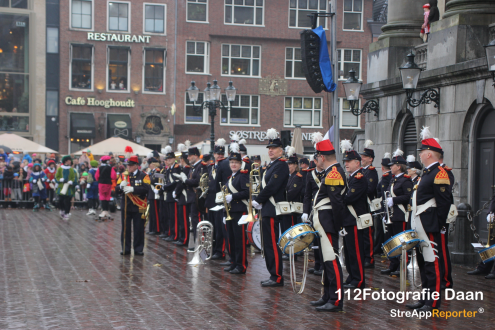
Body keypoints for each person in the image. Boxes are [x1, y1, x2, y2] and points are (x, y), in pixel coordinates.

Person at [406, 127, 452, 312]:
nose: (421, 154)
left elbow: (444, 202)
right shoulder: (427, 173)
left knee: (432, 264)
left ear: (430, 154)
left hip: (430, 224)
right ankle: (424, 299)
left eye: (423, 151)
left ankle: (433, 302)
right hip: (421, 224)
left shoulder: (439, 173)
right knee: (424, 264)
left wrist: (439, 224)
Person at [308, 134, 344, 312]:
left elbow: (337, 203)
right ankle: (328, 295)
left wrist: (337, 226)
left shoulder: (334, 173)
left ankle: (336, 300)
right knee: (325, 261)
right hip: (323, 221)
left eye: (317, 157)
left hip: (328, 222)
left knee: (331, 261)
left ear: (322, 157)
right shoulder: (329, 172)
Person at [252, 128, 289, 287]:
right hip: (267, 208)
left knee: (272, 244)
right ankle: (273, 274)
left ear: (281, 151)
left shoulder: (281, 165)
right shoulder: (272, 165)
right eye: (269, 148)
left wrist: (258, 199)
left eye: (274, 148)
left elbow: (272, 187)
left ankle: (277, 276)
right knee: (267, 244)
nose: (271, 150)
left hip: (272, 209)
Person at [380, 149, 414, 276]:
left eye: (392, 165)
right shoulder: (393, 179)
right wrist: (385, 215)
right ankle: (393, 265)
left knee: (401, 242)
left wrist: (394, 200)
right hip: (392, 216)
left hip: (401, 215)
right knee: (392, 242)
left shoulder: (406, 180)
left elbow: (408, 196)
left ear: (399, 167)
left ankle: (402, 267)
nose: (390, 167)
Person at [341, 140, 368, 289]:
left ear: (357, 163)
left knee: (356, 251)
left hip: (355, 219)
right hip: (349, 220)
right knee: (349, 251)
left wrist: (340, 197)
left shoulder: (360, 178)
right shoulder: (351, 178)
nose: (346, 163)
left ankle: (358, 280)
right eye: (345, 161)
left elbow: (349, 198)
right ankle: (352, 276)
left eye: (349, 161)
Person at [223, 142, 250, 274]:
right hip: (230, 211)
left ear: (240, 164)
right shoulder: (230, 178)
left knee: (240, 239)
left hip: (240, 211)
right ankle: (233, 262)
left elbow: (247, 192)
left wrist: (233, 197)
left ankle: (241, 265)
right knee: (231, 239)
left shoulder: (243, 175)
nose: (233, 164)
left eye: (236, 162)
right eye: (231, 162)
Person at [115, 155, 150, 256]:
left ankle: (138, 249)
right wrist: (120, 186)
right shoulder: (123, 176)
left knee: (138, 228)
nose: (128, 167)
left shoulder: (143, 176)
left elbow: (146, 189)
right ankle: (125, 248)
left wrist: (133, 189)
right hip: (126, 205)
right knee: (125, 228)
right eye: (127, 165)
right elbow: (116, 190)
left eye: (130, 165)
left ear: (136, 166)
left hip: (139, 206)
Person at [302, 132, 326, 276]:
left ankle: (323, 265)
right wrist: (305, 211)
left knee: (323, 239)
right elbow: (307, 195)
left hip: (323, 210)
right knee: (315, 239)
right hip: (312, 210)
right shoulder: (310, 174)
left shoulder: (328, 173)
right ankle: (317, 264)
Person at [208, 139, 229, 260]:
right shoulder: (213, 166)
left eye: (222, 153)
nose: (220, 155)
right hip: (212, 200)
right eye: (218, 153)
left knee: (219, 227)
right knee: (214, 226)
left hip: (220, 200)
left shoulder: (224, 164)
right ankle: (215, 248)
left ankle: (220, 251)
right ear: (214, 154)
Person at [360, 140, 378, 269]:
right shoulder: (361, 171)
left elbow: (370, 188)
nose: (362, 158)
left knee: (367, 234)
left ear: (370, 159)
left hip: (367, 205)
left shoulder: (371, 172)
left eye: (365, 157)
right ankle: (363, 255)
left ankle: (369, 258)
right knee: (361, 233)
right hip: (360, 206)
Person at [281, 146, 304, 250]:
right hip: (287, 208)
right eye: (287, 164)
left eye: (290, 164)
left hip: (293, 209)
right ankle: (288, 249)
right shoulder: (288, 176)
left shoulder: (297, 177)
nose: (288, 166)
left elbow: (291, 193)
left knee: (292, 231)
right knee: (287, 231)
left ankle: (294, 251)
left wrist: (281, 196)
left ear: (295, 165)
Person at [374, 152, 393, 257]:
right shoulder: (388, 176)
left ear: (382, 167)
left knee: (384, 231)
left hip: (385, 207)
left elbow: (383, 193)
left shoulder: (386, 177)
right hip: (386, 206)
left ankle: (385, 249)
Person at [173, 143, 191, 246]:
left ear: (182, 160)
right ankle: (182, 237)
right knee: (181, 219)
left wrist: (176, 192)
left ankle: (184, 239)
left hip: (184, 196)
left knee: (184, 220)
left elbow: (181, 184)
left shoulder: (186, 169)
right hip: (182, 197)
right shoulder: (185, 169)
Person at [162, 146, 181, 242]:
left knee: (174, 217)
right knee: (170, 216)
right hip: (169, 194)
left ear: (174, 159)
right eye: (167, 159)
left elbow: (175, 182)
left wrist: (165, 187)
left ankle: (175, 235)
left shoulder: (176, 168)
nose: (168, 161)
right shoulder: (169, 169)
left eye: (170, 159)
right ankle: (171, 233)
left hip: (174, 194)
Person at [55, 155, 78, 220]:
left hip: (69, 188)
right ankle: (62, 210)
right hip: (61, 187)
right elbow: (56, 177)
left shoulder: (71, 169)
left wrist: (72, 181)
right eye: (68, 160)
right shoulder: (60, 169)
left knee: (67, 201)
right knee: (61, 200)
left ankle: (66, 213)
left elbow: (74, 177)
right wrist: (60, 179)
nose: (70, 162)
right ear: (65, 161)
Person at [96, 155, 117, 221]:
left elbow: (96, 177)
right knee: (107, 197)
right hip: (108, 184)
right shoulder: (110, 168)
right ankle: (107, 211)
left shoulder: (99, 168)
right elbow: (114, 176)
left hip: (101, 184)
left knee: (102, 196)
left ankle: (103, 211)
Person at [146, 155, 162, 235]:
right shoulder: (152, 171)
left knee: (155, 213)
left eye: (150, 164)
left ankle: (157, 229)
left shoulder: (158, 171)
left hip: (155, 193)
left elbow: (158, 181)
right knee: (152, 213)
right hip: (151, 193)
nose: (149, 166)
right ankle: (152, 228)